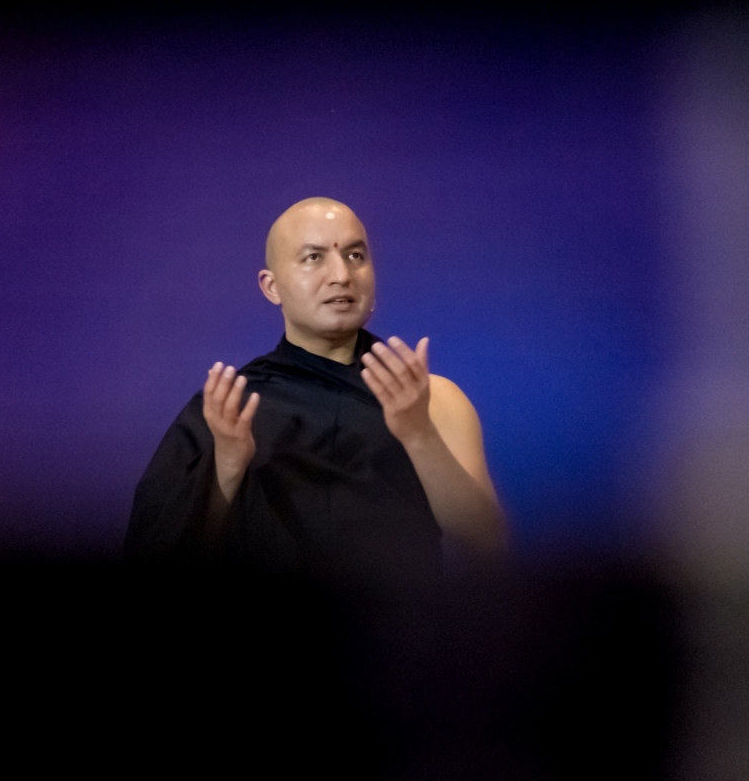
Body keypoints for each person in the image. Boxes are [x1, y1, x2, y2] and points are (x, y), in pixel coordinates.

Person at [126, 197, 505, 578]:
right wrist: (227, 466)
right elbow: (159, 569)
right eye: (314, 258)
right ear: (271, 286)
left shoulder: (432, 400)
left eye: (355, 256)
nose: (341, 275)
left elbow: (487, 547)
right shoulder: (232, 408)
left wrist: (418, 434)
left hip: (402, 615)